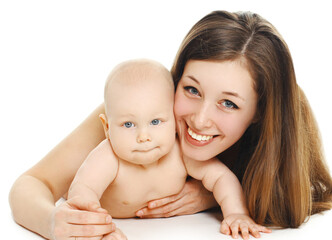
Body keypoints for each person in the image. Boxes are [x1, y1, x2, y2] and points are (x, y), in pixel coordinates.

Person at [9, 9, 332, 240]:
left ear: (261, 114)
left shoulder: (274, 146)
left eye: (229, 103)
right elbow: (31, 184)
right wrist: (53, 222)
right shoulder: (131, 117)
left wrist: (212, 198)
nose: (200, 119)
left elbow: (279, 196)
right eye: (191, 89)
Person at [68, 58, 269, 239]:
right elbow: (82, 192)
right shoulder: (108, 157)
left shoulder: (179, 152)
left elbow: (220, 178)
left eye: (156, 121)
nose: (143, 137)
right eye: (129, 124)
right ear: (107, 127)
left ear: (172, 118)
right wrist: (100, 226)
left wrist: (236, 213)